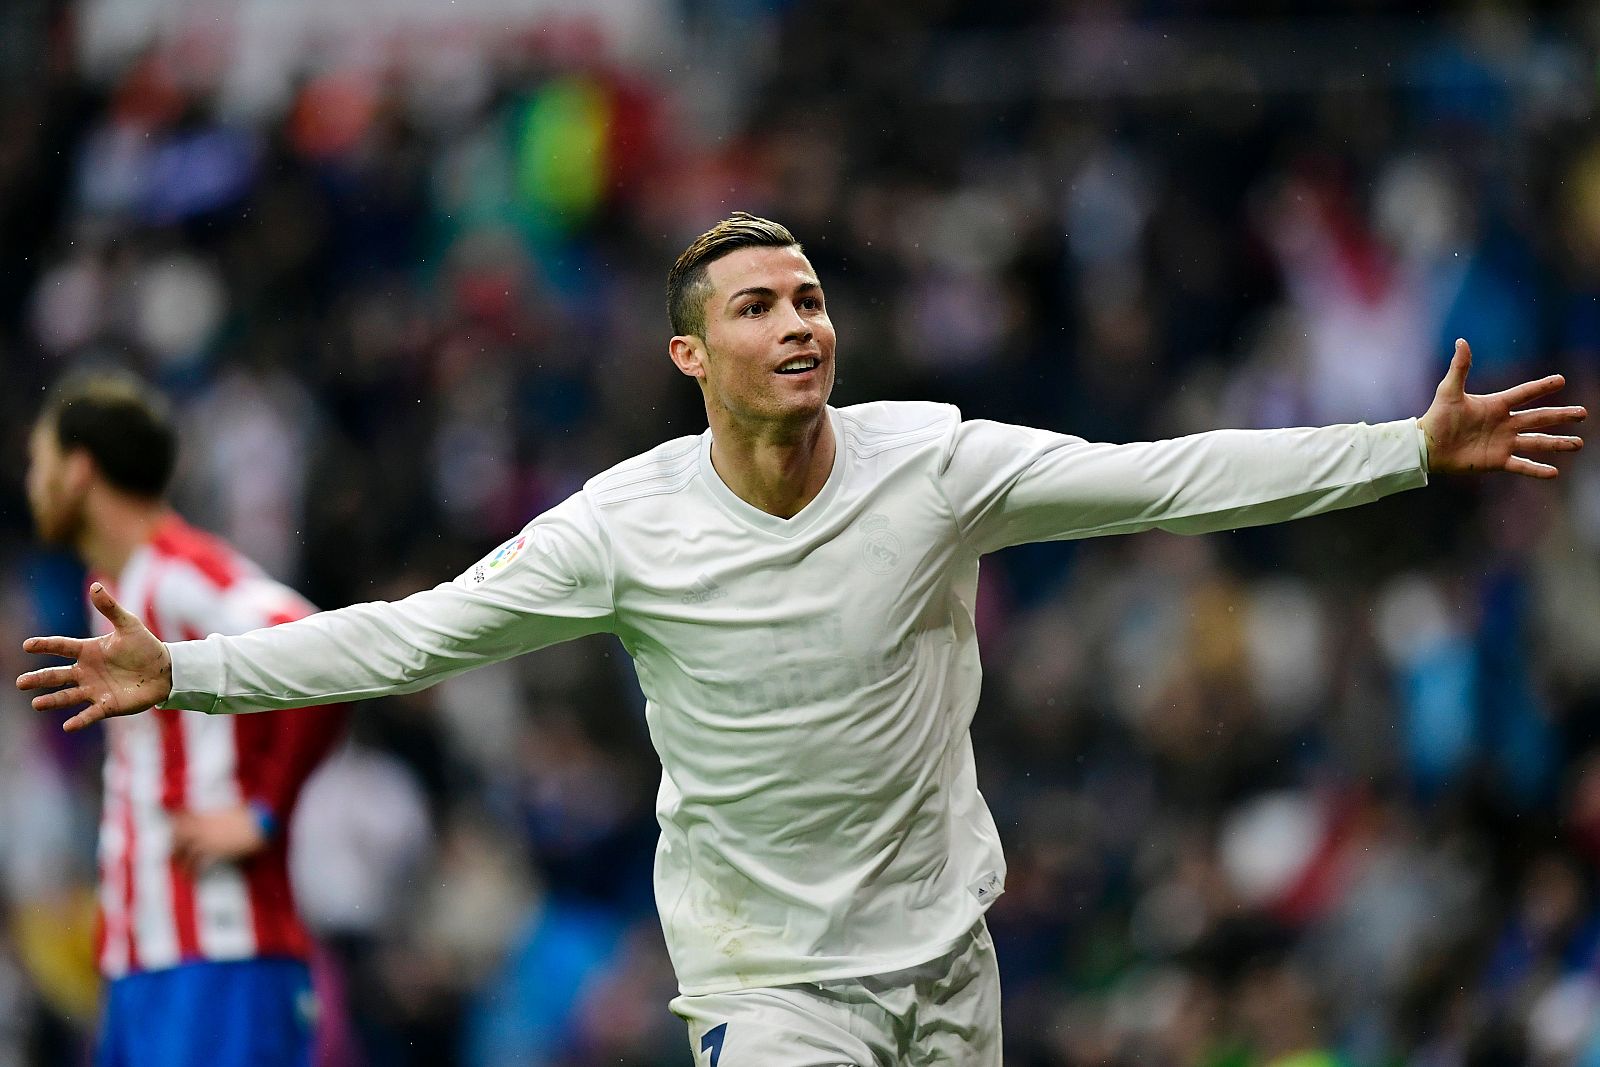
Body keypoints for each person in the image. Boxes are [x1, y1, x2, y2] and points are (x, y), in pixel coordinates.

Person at [19, 215, 1586, 1065]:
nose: (799, 322)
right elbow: (421, 637)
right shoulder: (624, 525)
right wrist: (190, 670)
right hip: (772, 990)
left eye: (813, 296)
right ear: (694, 353)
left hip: (948, 964)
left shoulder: (937, 463)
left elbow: (1169, 478)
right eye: (760, 305)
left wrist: (1402, 446)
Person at [21, 371, 348, 1067]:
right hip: (143, 964)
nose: (31, 483)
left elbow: (324, 653)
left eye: (39, 463)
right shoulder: (113, 589)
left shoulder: (178, 573)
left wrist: (262, 813)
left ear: (79, 470)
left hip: (218, 953)